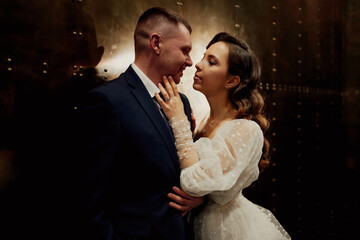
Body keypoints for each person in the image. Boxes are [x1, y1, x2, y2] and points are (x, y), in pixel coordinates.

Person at [74, 7, 203, 240]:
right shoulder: (108, 102)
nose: (190, 61)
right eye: (184, 50)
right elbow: (88, 200)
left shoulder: (181, 103)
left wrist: (198, 197)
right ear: (156, 43)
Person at [156, 32, 291, 239]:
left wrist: (179, 122)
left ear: (231, 81)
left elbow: (196, 182)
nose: (198, 65)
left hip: (227, 230)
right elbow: (205, 185)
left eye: (212, 62)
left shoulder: (246, 130)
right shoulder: (203, 122)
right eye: (203, 57)